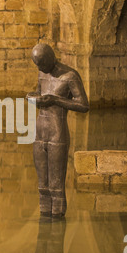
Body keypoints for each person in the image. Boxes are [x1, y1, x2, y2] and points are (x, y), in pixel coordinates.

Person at [27, 44, 89, 217]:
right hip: (40, 133)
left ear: (51, 58)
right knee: (42, 186)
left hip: (57, 133)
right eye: (37, 65)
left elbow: (84, 105)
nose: (40, 68)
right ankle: (45, 223)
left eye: (42, 64)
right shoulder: (42, 73)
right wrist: (33, 97)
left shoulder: (70, 76)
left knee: (56, 186)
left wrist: (55, 100)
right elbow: (39, 92)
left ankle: (57, 228)